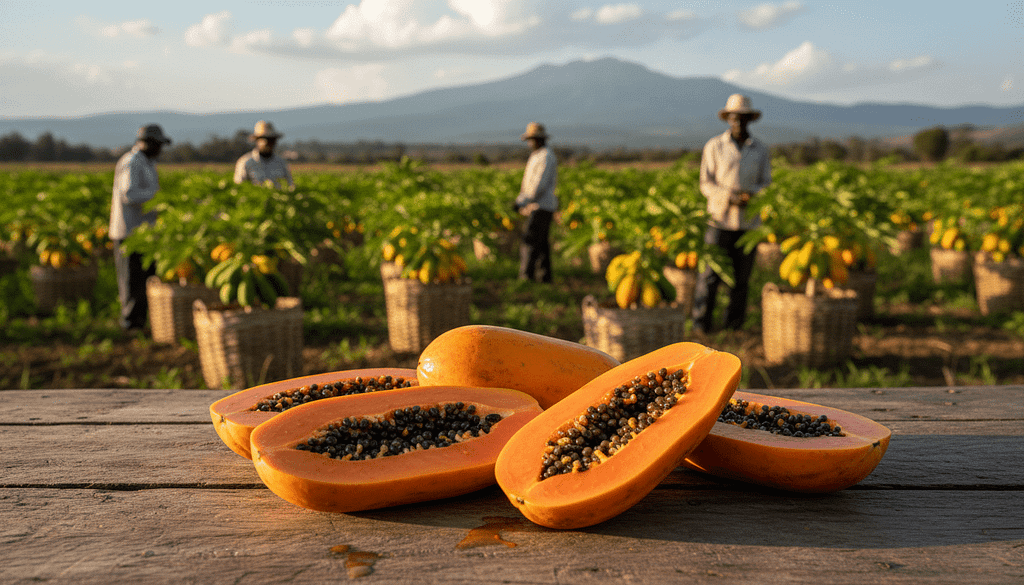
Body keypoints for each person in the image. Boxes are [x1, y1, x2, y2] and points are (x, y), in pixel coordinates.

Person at [692, 94, 772, 333]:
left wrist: (752, 195)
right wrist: (729, 196)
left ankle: (733, 326)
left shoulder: (760, 150)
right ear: (728, 119)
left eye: (743, 118)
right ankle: (701, 325)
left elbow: (766, 183)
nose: (738, 122)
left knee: (741, 279)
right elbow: (706, 183)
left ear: (749, 120)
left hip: (749, 224)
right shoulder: (714, 146)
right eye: (734, 117)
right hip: (719, 220)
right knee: (709, 276)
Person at [109, 124, 171, 331]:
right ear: (149, 143)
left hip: (144, 233)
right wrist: (159, 199)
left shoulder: (147, 162)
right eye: (158, 145)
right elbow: (129, 194)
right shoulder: (132, 162)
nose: (160, 149)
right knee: (132, 282)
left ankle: (141, 323)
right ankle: (131, 324)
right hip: (129, 232)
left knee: (144, 281)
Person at [514, 122, 559, 283]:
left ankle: (527, 276)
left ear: (538, 139)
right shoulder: (537, 155)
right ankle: (545, 277)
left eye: (531, 139)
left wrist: (522, 201)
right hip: (538, 205)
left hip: (541, 206)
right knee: (541, 244)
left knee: (530, 241)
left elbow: (538, 185)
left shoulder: (546, 156)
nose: (529, 143)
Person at [233, 120, 294, 189]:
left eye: (271, 139)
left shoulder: (281, 163)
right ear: (257, 140)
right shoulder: (245, 162)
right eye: (264, 139)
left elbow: (290, 185)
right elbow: (239, 188)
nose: (268, 143)